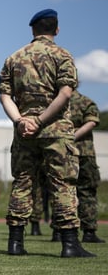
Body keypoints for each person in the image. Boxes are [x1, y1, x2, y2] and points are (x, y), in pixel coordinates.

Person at [0, 8, 94, 257]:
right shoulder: (62, 55)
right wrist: (40, 121)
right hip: (55, 130)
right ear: (57, 29)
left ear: (33, 29)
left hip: (24, 133)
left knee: (22, 183)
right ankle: (70, 244)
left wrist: (21, 121)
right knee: (62, 183)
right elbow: (65, 94)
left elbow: (4, 95)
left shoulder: (14, 58)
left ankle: (15, 243)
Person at [69, 89, 104, 243]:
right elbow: (92, 121)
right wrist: (75, 136)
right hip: (84, 152)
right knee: (87, 192)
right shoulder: (85, 101)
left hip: (64, 153)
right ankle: (89, 232)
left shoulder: (55, 102)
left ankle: (59, 230)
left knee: (61, 190)